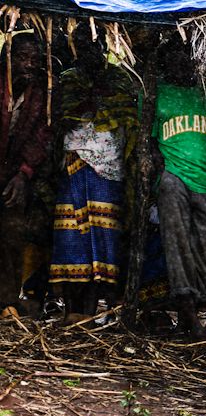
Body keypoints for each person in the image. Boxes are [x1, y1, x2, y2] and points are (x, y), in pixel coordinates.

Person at [50, 28, 137, 319]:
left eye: (95, 46)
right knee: (72, 234)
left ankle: (99, 306)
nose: (90, 52)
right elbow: (62, 115)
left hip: (109, 165)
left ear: (103, 48)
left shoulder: (120, 78)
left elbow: (128, 113)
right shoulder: (69, 79)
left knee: (105, 235)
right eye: (83, 47)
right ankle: (74, 310)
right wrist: (89, 100)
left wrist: (101, 100)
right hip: (75, 161)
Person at [154, 41, 206, 337]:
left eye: (185, 58)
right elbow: (150, 142)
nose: (180, 65)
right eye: (172, 59)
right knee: (177, 243)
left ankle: (200, 308)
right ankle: (187, 310)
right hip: (174, 179)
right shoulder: (156, 93)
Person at [0, 34, 54, 318]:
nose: (29, 65)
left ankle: (6, 301)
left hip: (13, 176)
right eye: (23, 58)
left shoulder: (39, 93)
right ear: (8, 59)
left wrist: (23, 173)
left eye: (35, 60)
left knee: (12, 234)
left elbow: (41, 135)